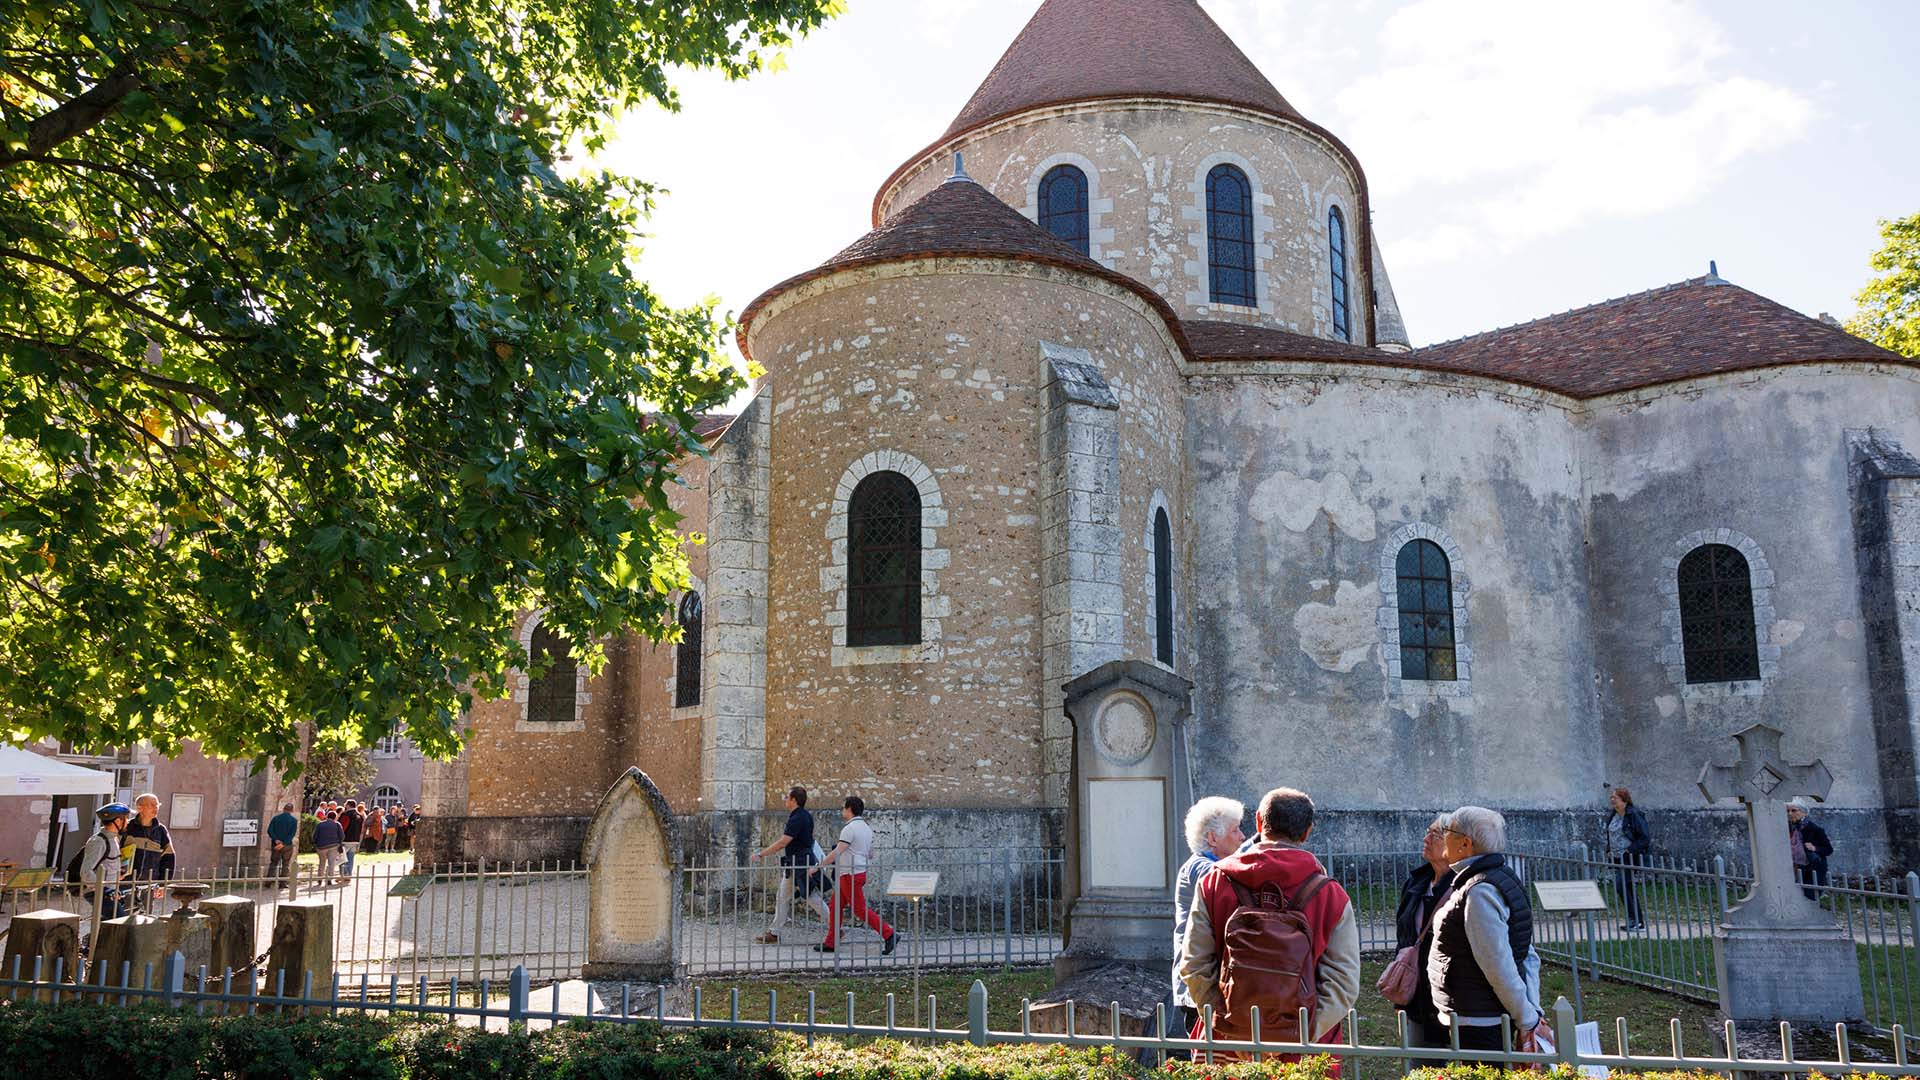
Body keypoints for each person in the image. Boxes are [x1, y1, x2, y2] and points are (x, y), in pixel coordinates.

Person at [1178, 787, 1360, 1060]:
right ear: (1307, 832)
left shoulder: (1214, 882)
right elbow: (1343, 983)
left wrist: (1227, 1022)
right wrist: (1299, 1034)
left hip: (1225, 1044)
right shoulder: (1331, 896)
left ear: (1260, 822)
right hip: (1302, 1054)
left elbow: (1194, 965)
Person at [1428, 806, 1546, 1067]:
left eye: (1447, 831)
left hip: (1479, 1017)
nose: (1442, 834)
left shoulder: (1480, 891)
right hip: (1481, 1012)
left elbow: (1498, 963)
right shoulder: (1498, 877)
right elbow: (1524, 951)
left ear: (1465, 844)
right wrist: (1529, 1008)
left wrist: (1528, 1017)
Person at [1173, 795, 1245, 1037]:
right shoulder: (1200, 868)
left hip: (1212, 980)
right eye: (1235, 830)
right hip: (1199, 986)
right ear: (1213, 838)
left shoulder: (1213, 865)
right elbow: (1229, 882)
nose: (1242, 837)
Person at [1391, 814, 1455, 1050]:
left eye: (1435, 835)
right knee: (1420, 1066)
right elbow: (1404, 937)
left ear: (1455, 843)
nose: (1426, 838)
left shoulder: (1465, 886)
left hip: (1452, 998)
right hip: (1418, 997)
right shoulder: (1416, 883)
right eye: (1428, 831)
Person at [814, 796, 898, 955]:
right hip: (858, 872)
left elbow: (837, 851)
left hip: (849, 874)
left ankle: (889, 933)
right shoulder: (865, 828)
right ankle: (831, 942)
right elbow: (870, 853)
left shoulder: (849, 828)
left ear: (849, 809)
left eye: (843, 808)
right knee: (835, 906)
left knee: (859, 910)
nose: (842, 811)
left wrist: (819, 866)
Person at [751, 785, 830, 944]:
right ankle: (774, 932)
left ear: (794, 800)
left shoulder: (797, 817)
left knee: (811, 897)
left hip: (799, 864)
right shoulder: (804, 815)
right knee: (783, 896)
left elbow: (783, 842)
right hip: (795, 863)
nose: (785, 800)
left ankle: (836, 927)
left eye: (787, 797)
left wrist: (761, 854)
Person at [1605, 787, 1651, 932]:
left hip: (1630, 857)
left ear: (1624, 801)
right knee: (1626, 887)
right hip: (1617, 857)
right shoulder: (1614, 815)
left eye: (1615, 798)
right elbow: (1612, 835)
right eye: (1611, 798)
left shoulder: (1634, 814)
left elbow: (1644, 837)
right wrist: (1608, 850)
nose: (1612, 800)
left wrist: (1629, 851)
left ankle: (1636, 920)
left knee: (1622, 885)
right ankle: (1636, 921)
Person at [79, 802, 133, 921]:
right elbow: (86, 871)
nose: (128, 822)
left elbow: (107, 864)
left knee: (108, 926)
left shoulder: (113, 839)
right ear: (118, 821)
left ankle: (94, 939)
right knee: (120, 923)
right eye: (126, 819)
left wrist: (119, 873)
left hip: (111, 891)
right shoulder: (98, 841)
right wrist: (105, 890)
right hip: (100, 893)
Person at [123, 793, 177, 909]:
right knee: (123, 918)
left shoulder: (161, 830)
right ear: (139, 807)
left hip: (149, 884)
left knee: (146, 919)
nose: (155, 808)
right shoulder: (128, 827)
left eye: (157, 805)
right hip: (126, 883)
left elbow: (169, 858)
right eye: (152, 805)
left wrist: (163, 884)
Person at [1787, 799, 1833, 899]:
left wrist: (1814, 848)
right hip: (1795, 868)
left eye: (1794, 810)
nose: (1790, 814)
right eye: (1788, 811)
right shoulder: (1789, 828)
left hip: (1813, 869)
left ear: (1803, 812)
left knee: (1810, 898)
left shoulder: (1815, 829)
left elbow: (1829, 849)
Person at [267, 802, 300, 885]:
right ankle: (283, 883)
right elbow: (292, 834)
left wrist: (276, 839)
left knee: (274, 862)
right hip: (287, 845)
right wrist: (284, 843)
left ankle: (269, 881)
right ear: (292, 810)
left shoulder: (276, 818)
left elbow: (270, 830)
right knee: (286, 864)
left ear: (283, 809)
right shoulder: (293, 820)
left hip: (276, 844)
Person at [313, 810, 345, 886]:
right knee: (331, 863)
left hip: (321, 846)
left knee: (322, 863)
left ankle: (320, 879)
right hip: (333, 846)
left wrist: (316, 843)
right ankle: (329, 879)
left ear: (327, 816)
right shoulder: (337, 824)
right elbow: (342, 836)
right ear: (335, 817)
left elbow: (314, 836)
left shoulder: (320, 824)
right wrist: (339, 842)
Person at [339, 800, 363, 881]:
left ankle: (344, 874)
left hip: (346, 839)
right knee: (351, 858)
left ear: (348, 805)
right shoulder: (359, 816)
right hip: (355, 839)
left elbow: (342, 827)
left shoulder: (346, 814)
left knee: (343, 858)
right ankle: (349, 874)